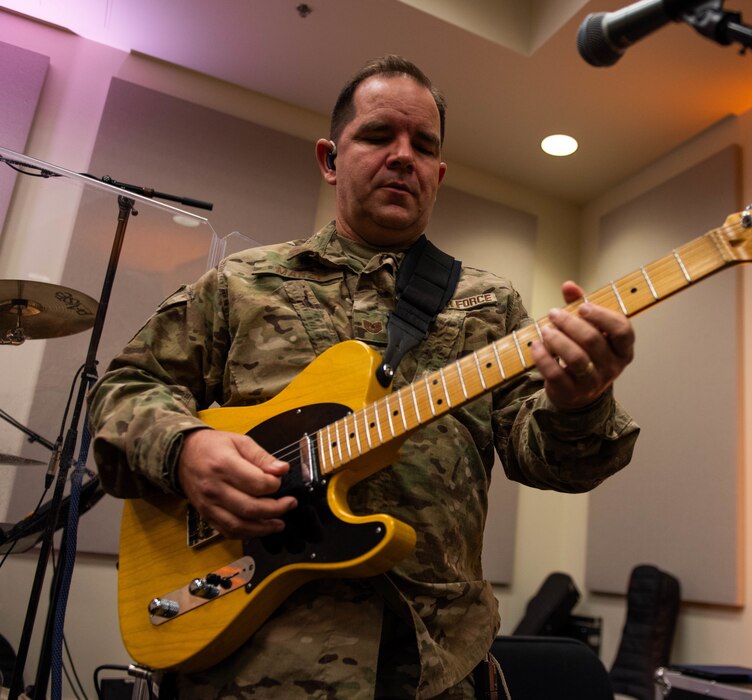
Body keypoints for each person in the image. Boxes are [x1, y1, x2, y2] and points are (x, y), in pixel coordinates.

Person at [88, 54, 639, 699]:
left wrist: (581, 402)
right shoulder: (242, 285)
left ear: (438, 172)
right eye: (378, 135)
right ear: (329, 158)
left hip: (433, 665)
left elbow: (551, 463)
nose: (403, 155)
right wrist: (186, 449)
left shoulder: (492, 306)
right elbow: (122, 389)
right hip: (251, 667)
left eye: (423, 145)